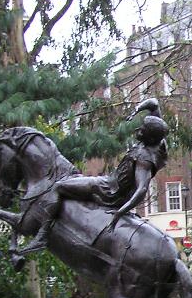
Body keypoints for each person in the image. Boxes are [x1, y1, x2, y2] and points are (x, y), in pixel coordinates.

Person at [21, 98, 169, 254]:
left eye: (142, 129)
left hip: (109, 190)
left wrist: (120, 212)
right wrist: (137, 109)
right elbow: (153, 103)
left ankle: (41, 237)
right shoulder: (157, 139)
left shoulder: (144, 159)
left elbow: (142, 189)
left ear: (150, 137)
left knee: (59, 187)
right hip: (111, 184)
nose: (139, 129)